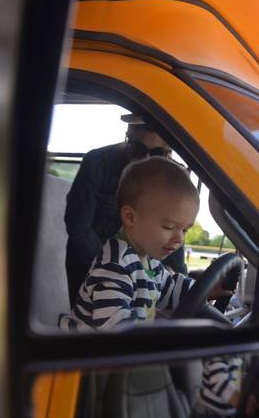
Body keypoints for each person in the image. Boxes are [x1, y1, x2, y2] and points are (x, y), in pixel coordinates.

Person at [65, 157, 205, 330]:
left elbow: (172, 287)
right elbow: (118, 332)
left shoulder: (149, 261)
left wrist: (206, 289)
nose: (180, 239)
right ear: (130, 217)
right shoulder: (114, 268)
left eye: (185, 230)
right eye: (169, 227)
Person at [64, 113, 186, 309]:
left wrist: (181, 280)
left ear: (168, 153)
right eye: (139, 149)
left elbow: (173, 232)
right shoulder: (97, 162)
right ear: (127, 136)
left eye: (156, 154)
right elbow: (78, 226)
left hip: (146, 270)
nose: (146, 160)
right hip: (89, 266)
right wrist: (115, 269)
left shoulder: (172, 175)